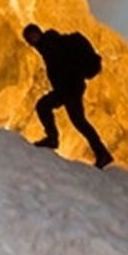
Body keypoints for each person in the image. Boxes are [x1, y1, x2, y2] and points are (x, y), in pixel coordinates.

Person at [19, 22, 113, 167]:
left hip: (70, 87)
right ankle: (55, 139)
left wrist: (70, 78)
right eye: (29, 39)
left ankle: (101, 153)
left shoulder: (50, 42)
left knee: (76, 119)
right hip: (65, 88)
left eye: (32, 36)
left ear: (39, 33)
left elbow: (63, 63)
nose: (32, 40)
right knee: (49, 108)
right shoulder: (45, 46)